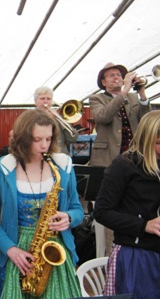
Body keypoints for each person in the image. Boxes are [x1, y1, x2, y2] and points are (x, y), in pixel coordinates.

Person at [0, 109, 84, 298]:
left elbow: (77, 209)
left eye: (48, 139)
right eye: (37, 140)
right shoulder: (5, 167)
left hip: (55, 253)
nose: (44, 145)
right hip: (15, 254)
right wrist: (11, 250)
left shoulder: (63, 166)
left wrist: (69, 217)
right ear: (23, 137)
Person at [93, 110, 160, 298]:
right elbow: (102, 212)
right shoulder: (124, 165)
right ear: (146, 139)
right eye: (159, 143)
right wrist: (143, 225)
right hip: (136, 256)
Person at [90, 62, 150, 255]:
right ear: (103, 81)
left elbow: (146, 120)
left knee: (133, 205)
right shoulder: (96, 98)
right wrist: (124, 91)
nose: (117, 77)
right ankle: (109, 255)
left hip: (133, 160)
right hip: (108, 161)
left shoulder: (132, 96)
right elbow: (103, 117)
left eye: (119, 75)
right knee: (110, 208)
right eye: (112, 75)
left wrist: (141, 94)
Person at [34, 86, 79, 154]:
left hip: (60, 156)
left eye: (49, 99)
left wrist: (62, 121)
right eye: (42, 98)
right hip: (39, 156)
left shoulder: (58, 118)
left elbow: (72, 139)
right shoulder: (29, 117)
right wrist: (45, 119)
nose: (46, 101)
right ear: (35, 101)